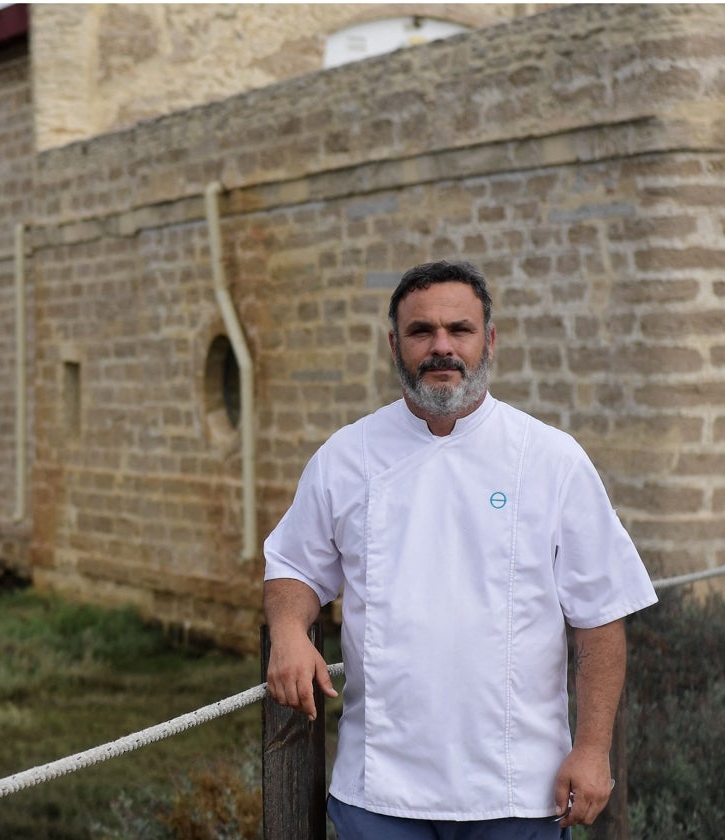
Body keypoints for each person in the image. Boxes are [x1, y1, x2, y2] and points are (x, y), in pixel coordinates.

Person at [263, 260, 657, 839]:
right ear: (395, 345)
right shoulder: (346, 457)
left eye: (460, 330)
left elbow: (599, 617)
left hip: (519, 791)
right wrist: (290, 633)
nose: (441, 347)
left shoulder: (551, 459)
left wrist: (593, 749)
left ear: (489, 340)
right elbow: (295, 565)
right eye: (422, 332)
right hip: (380, 791)